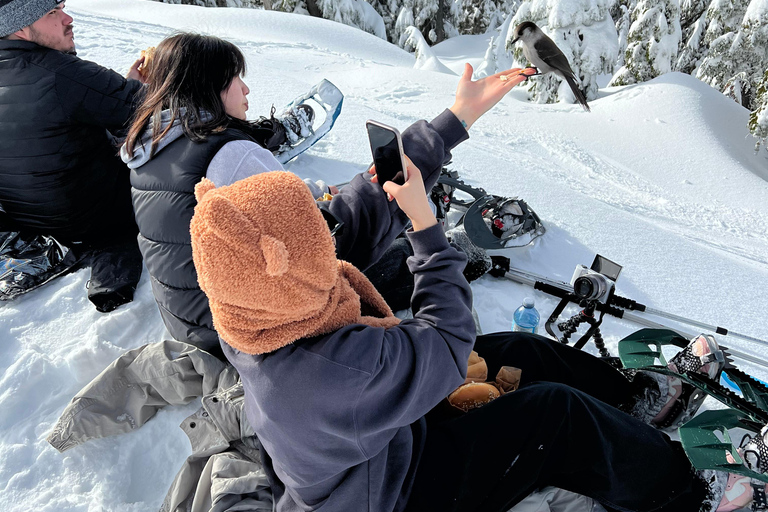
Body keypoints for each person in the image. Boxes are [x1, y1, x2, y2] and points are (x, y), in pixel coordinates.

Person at [189, 166, 768, 512]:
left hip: (377, 446)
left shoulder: (250, 314)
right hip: (398, 493)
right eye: (316, 229)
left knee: (512, 352)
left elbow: (426, 344)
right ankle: (688, 499)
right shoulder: (331, 367)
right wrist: (426, 232)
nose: (325, 228)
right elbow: (444, 338)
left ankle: (634, 402)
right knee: (551, 416)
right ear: (284, 265)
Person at [121, 32, 523, 356]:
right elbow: (339, 239)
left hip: (190, 317)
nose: (245, 88)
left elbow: (260, 205)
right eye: (234, 78)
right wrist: (452, 122)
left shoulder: (150, 143)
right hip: (248, 331)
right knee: (401, 251)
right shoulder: (232, 154)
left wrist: (312, 193)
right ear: (207, 87)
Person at [0, 1, 147, 312]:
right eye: (52, 12)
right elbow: (154, 111)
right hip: (96, 221)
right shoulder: (63, 73)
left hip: (31, 222)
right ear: (20, 28)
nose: (68, 19)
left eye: (62, 7)